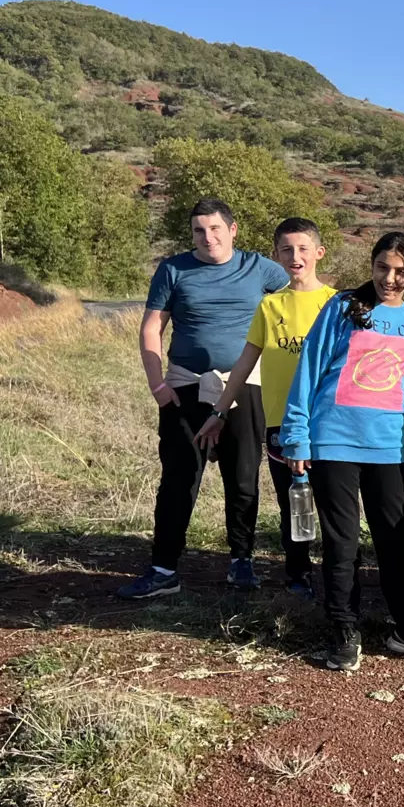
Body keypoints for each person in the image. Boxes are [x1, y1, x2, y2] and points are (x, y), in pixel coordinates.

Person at [277, 232, 404, 672]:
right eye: (382, 267)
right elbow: (308, 371)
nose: (389, 278)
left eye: (400, 271)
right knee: (343, 542)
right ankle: (343, 631)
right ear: (370, 265)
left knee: (395, 541)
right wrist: (296, 436)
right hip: (333, 441)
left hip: (390, 447)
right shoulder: (341, 309)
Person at [120, 199, 290, 599]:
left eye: (215, 228)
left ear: (233, 230)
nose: (207, 237)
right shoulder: (173, 269)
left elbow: (298, 302)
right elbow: (151, 329)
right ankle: (164, 569)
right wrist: (158, 385)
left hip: (245, 385)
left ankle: (241, 562)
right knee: (180, 479)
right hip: (185, 386)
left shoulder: (261, 268)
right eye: (199, 230)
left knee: (243, 476)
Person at [195, 218, 337, 599]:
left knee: (334, 506)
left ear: (318, 253)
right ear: (276, 256)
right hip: (282, 425)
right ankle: (298, 575)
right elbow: (244, 363)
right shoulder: (270, 305)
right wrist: (219, 412)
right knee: (294, 501)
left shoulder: (336, 304)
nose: (296, 257)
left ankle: (342, 579)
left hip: (329, 425)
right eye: (287, 250)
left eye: (304, 248)